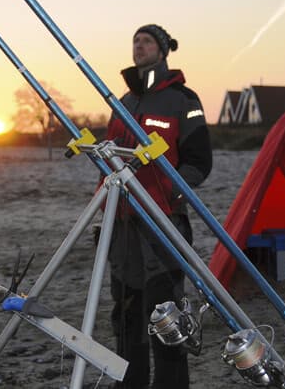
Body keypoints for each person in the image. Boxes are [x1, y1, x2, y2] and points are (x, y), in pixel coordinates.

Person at [104, 24, 212, 389]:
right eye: (135, 41)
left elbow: (199, 161)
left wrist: (171, 195)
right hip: (121, 224)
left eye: (147, 41)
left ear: (163, 50)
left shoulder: (184, 99)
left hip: (162, 224)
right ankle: (130, 381)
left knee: (165, 315)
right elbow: (108, 157)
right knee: (126, 312)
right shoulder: (123, 102)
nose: (139, 46)